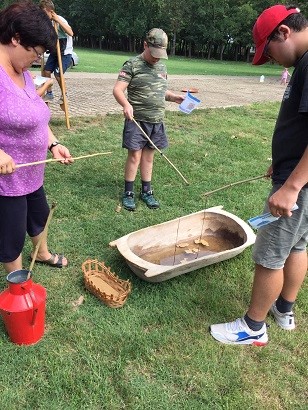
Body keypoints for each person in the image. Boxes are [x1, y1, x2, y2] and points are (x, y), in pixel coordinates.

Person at [210, 5, 308, 345]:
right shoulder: (303, 63)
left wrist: (292, 184)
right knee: (297, 245)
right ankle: (284, 309)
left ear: (283, 33)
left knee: (271, 253)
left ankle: (253, 327)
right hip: (297, 173)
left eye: (269, 53)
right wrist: (284, 161)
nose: (272, 61)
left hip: (300, 185)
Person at [0, 1, 73, 274]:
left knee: (39, 217)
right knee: (12, 233)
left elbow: (37, 115)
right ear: (16, 39)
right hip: (6, 181)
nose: (38, 60)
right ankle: (18, 282)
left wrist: (52, 143)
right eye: (37, 52)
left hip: (31, 173)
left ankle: (42, 254)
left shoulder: (24, 74)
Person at [113, 28, 184, 211]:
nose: (156, 58)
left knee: (149, 157)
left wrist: (173, 97)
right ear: (145, 45)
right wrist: (126, 105)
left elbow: (160, 90)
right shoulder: (132, 64)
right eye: (154, 53)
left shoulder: (162, 67)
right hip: (137, 120)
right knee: (135, 155)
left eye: (160, 54)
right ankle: (128, 193)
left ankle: (147, 191)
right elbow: (118, 90)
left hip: (156, 120)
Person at [39, 0, 74, 104]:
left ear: (51, 11)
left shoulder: (60, 20)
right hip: (55, 51)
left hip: (65, 53)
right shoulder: (47, 23)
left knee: (58, 74)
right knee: (46, 71)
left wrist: (58, 20)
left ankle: (64, 95)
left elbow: (71, 33)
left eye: (44, 12)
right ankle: (49, 94)